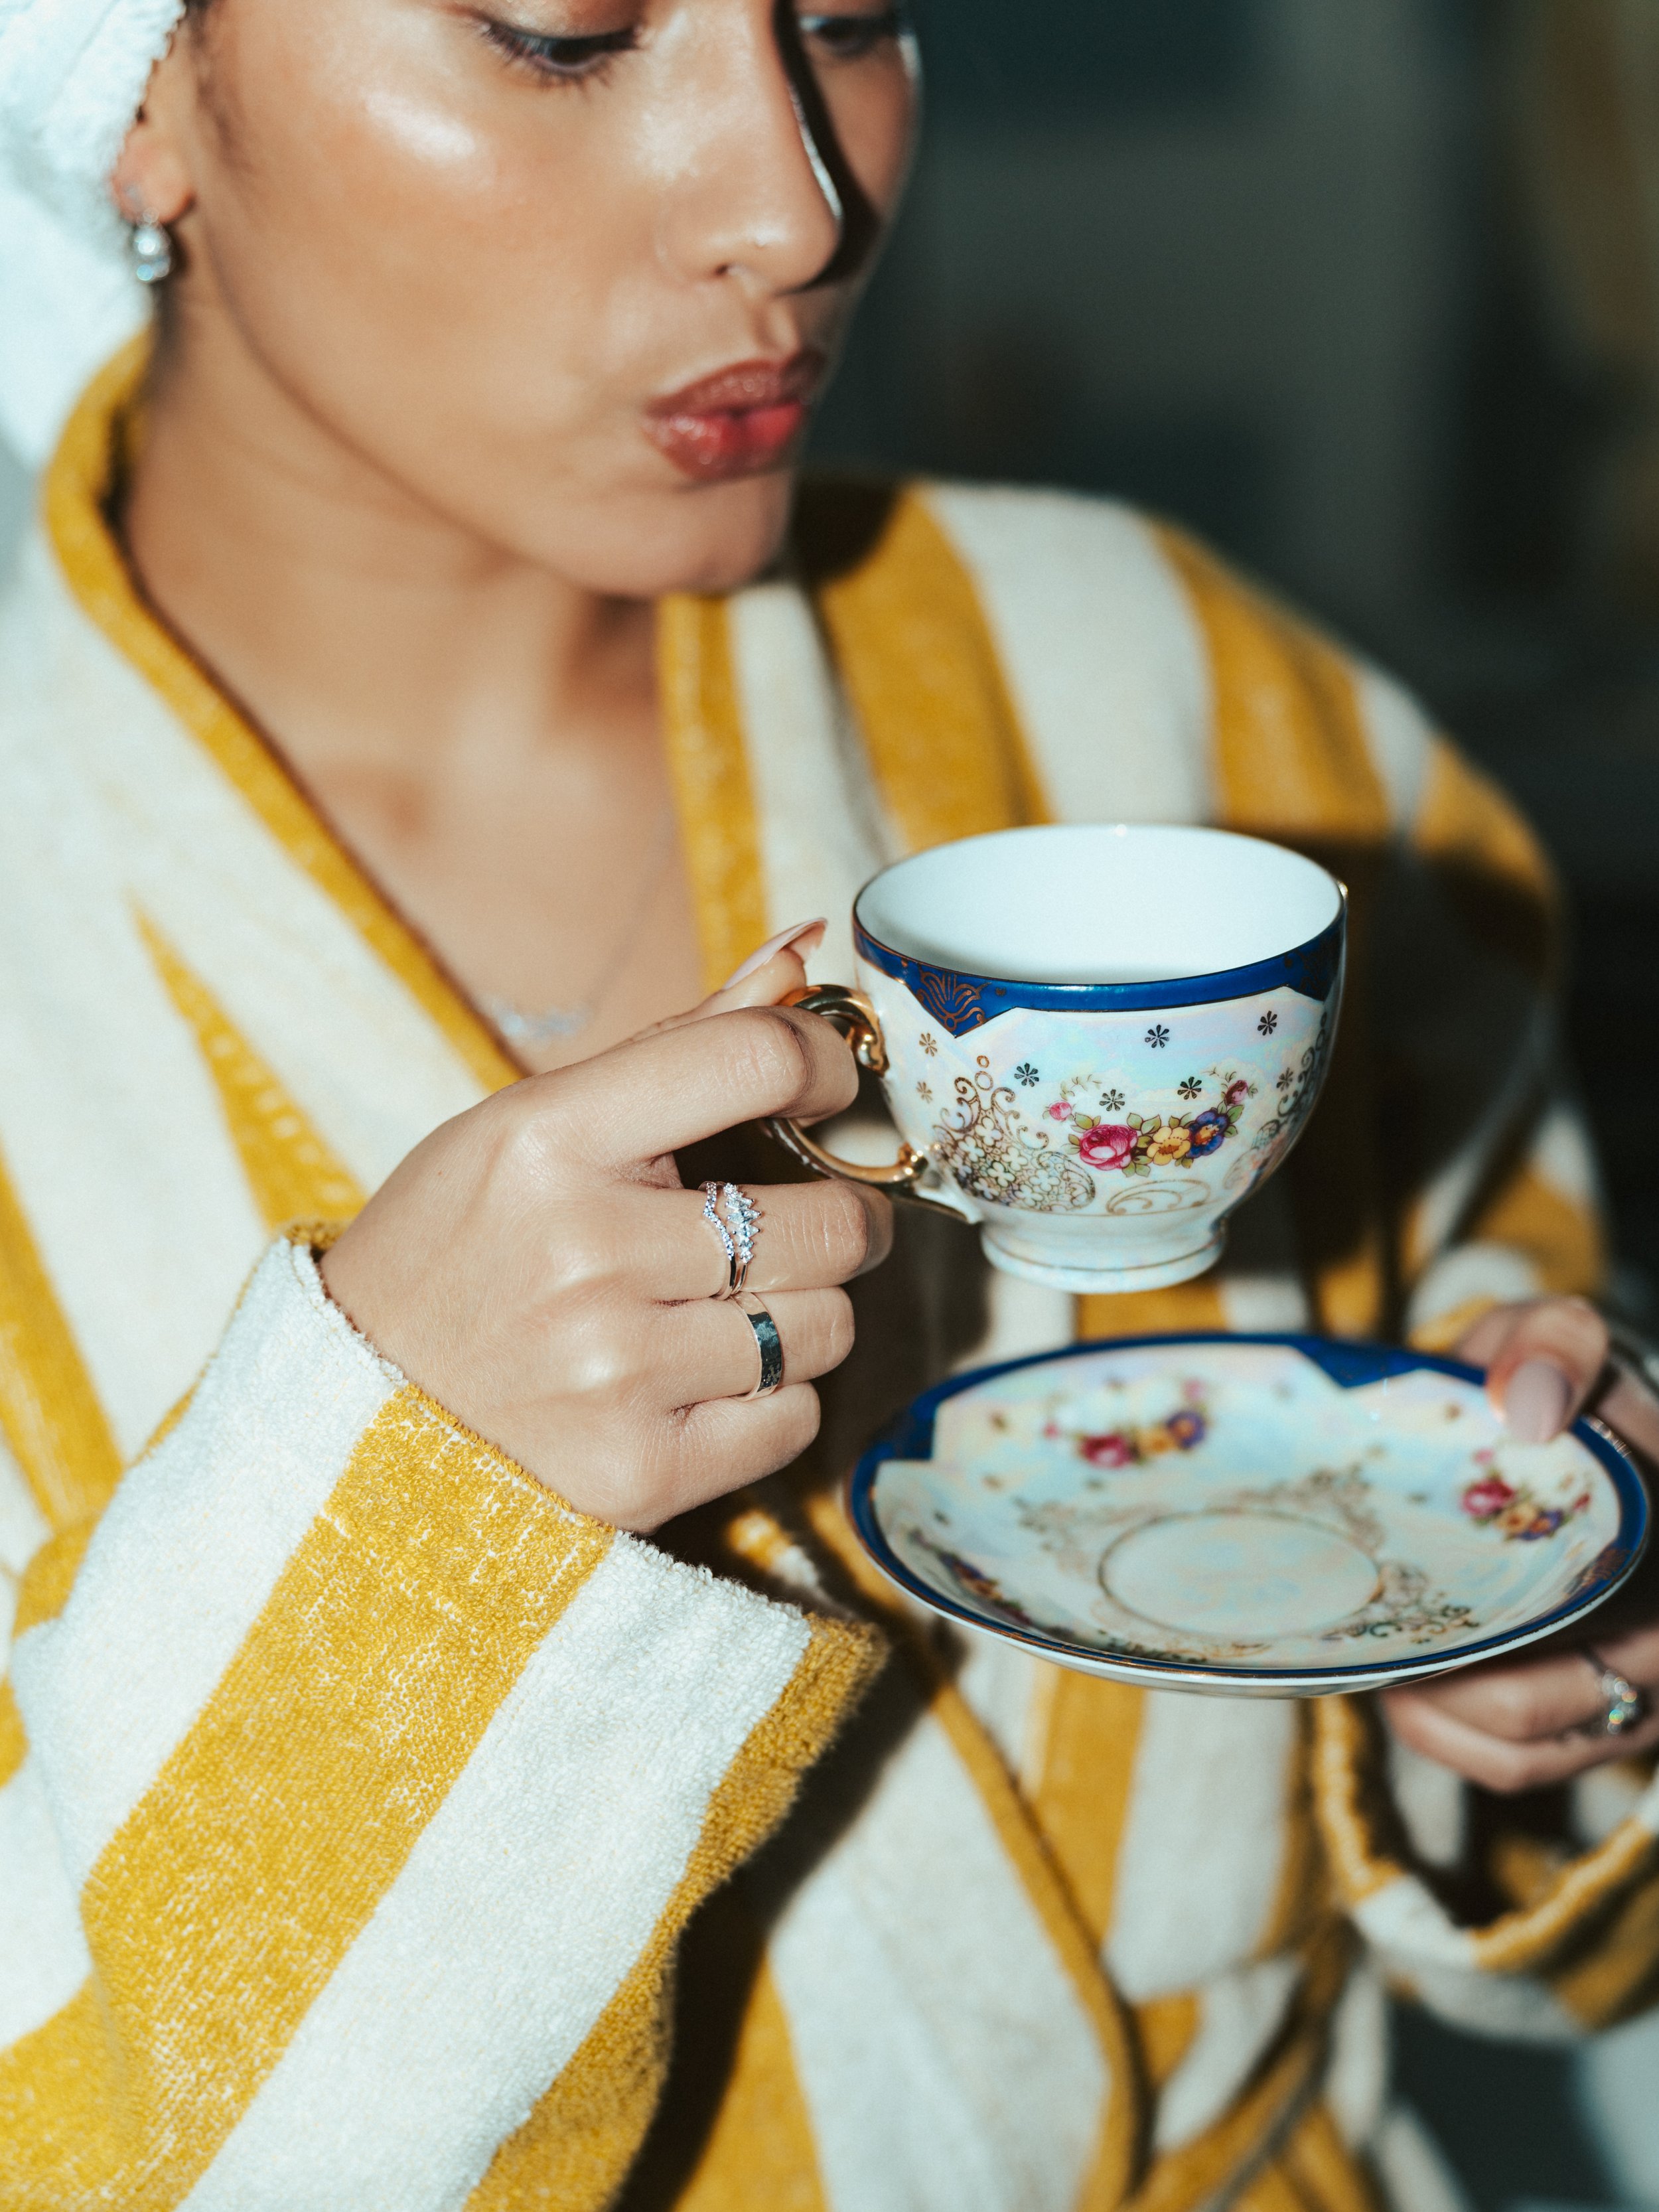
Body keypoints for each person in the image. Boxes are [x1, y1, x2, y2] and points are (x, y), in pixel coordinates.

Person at [0, 3, 1654, 2207]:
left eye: (857, 18)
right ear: (139, 97)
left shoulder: (1190, 713)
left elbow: (1541, 1852)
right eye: (567, 33)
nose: (803, 200)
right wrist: (408, 1546)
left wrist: (1572, 1635)